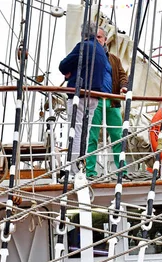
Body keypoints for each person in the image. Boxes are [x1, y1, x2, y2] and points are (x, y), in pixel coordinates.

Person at [59, 22, 108, 176]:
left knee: (76, 132)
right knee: (84, 134)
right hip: (94, 97)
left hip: (79, 97)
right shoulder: (101, 50)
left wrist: (69, 72)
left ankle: (73, 171)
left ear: (83, 34)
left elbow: (63, 65)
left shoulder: (84, 46)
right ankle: (81, 167)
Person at [86, 27, 128, 180]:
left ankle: (121, 171)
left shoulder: (114, 59)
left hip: (112, 101)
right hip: (94, 101)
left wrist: (124, 86)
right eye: (94, 37)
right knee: (92, 136)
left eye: (99, 37)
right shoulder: (86, 57)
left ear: (104, 40)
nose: (97, 40)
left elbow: (123, 75)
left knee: (117, 136)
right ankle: (90, 172)